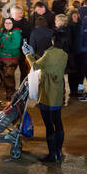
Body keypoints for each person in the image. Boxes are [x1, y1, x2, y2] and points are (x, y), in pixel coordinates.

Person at [28, 31, 68, 164]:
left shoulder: (49, 53)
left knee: (49, 125)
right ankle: (59, 151)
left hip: (47, 92)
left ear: (53, 40)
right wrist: (36, 55)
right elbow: (47, 63)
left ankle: (52, 155)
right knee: (58, 122)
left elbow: (35, 65)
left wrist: (28, 54)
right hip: (57, 93)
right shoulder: (64, 55)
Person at [0, 15, 23, 100]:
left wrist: (2, 45)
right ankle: (8, 95)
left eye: (9, 23)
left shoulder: (16, 32)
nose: (7, 25)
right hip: (1, 58)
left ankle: (11, 97)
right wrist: (1, 40)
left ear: (13, 24)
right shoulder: (2, 31)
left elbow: (14, 45)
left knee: (9, 78)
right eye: (6, 23)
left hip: (11, 58)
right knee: (5, 79)